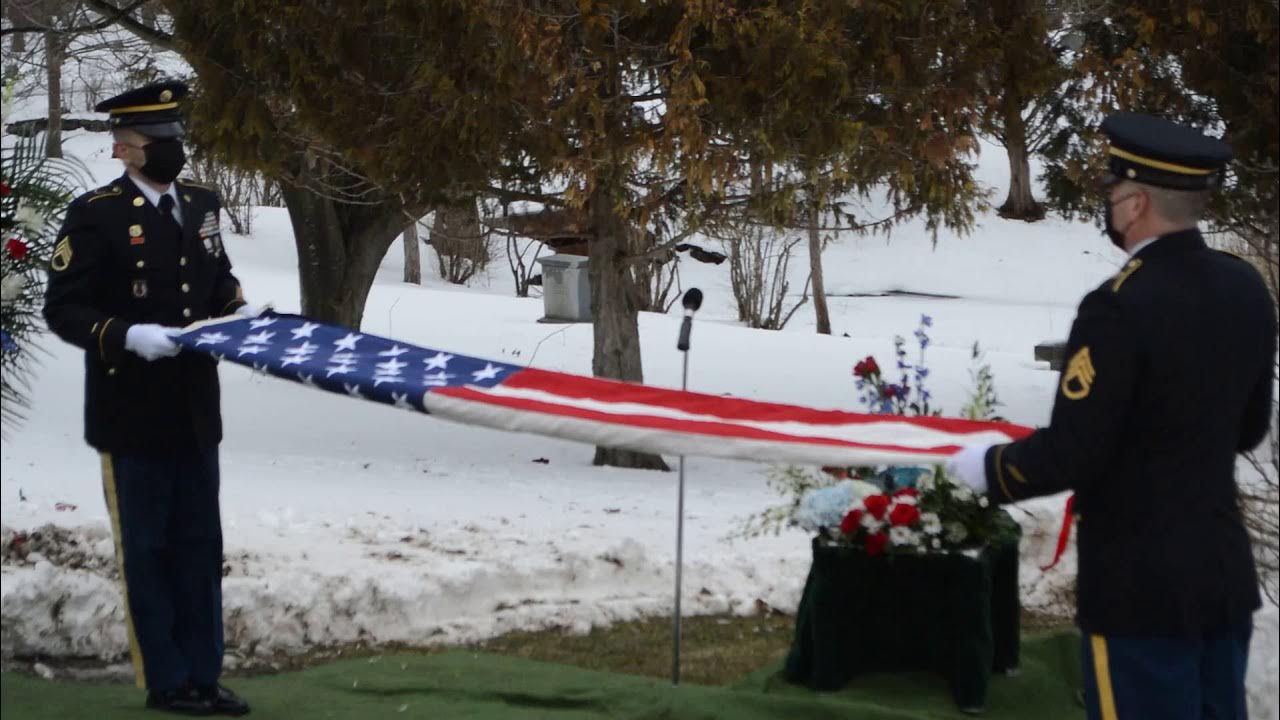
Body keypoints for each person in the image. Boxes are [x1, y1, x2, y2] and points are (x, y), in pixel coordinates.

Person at [947, 112, 1276, 720]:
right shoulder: (1245, 286)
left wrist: (988, 470)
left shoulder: (1119, 306)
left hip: (1140, 589)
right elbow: (1250, 429)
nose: (1109, 204)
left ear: (1136, 202)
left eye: (1112, 192)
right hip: (1221, 577)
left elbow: (1075, 449)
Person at [43, 80, 255, 716]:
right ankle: (166, 680)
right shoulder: (96, 213)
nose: (172, 150)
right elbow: (64, 309)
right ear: (125, 151)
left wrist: (241, 314)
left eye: (175, 138)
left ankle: (203, 672)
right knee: (149, 548)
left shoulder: (200, 201)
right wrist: (126, 335)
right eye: (157, 141)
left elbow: (217, 279)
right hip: (130, 411)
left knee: (200, 547)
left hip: (194, 409)